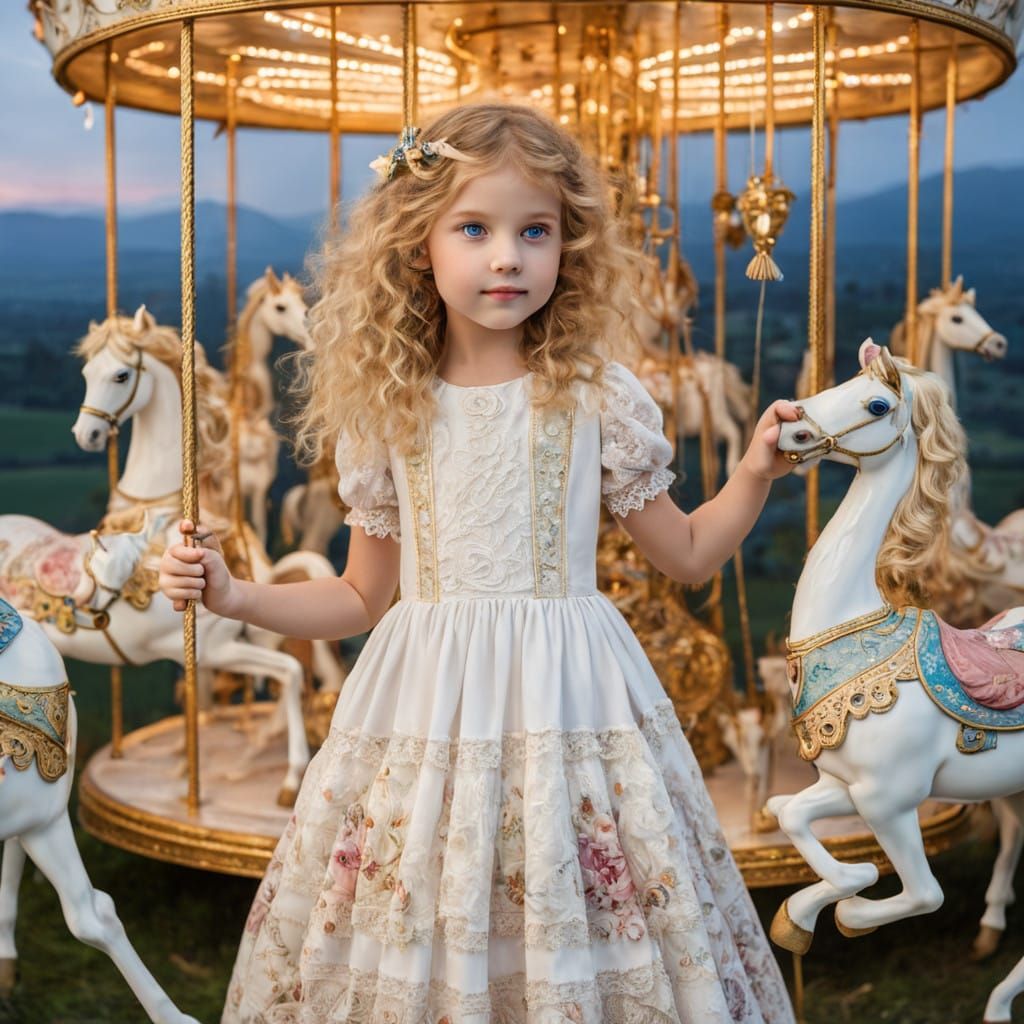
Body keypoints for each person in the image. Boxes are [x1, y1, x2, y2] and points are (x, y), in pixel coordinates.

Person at [160, 103, 798, 1024]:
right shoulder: (389, 412)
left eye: (535, 232)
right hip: (425, 703)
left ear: (567, 250)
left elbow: (690, 554)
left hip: (571, 697)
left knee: (570, 891)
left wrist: (751, 472)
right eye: (476, 228)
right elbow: (357, 597)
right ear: (419, 244)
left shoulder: (595, 398)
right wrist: (233, 593)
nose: (507, 257)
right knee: (429, 888)